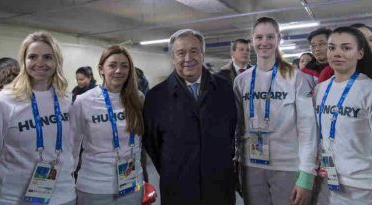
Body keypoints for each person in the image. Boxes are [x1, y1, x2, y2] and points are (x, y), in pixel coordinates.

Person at [143, 29, 237, 205]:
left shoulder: (224, 89)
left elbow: (231, 131)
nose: (188, 58)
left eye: (194, 51)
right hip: (178, 187)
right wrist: (175, 165)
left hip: (219, 186)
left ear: (202, 54)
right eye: (181, 53)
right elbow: (152, 143)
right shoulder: (156, 97)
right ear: (173, 58)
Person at [0, 31, 76, 204]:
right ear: (24, 61)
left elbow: (72, 148)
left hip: (62, 196)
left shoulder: (67, 101)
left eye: (47, 57)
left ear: (57, 61)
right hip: (11, 198)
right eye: (32, 57)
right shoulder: (1, 103)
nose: (39, 63)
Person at [233, 17, 318, 205]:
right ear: (252, 40)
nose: (264, 42)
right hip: (251, 165)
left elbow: (308, 128)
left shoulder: (295, 76)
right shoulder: (241, 81)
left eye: (270, 37)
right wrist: (237, 161)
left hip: (287, 166)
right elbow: (238, 127)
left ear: (279, 39)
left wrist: (306, 174)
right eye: (259, 37)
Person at [71, 45, 144, 205]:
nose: (119, 71)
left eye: (124, 66)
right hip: (94, 187)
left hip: (132, 184)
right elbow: (72, 146)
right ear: (101, 69)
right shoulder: (84, 101)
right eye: (112, 65)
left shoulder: (138, 98)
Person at [314, 26, 372, 205]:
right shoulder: (319, 89)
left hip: (361, 186)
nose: (337, 53)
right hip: (326, 181)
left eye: (346, 48)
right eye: (332, 48)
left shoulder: (368, 90)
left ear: (360, 53)